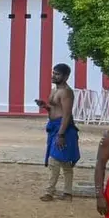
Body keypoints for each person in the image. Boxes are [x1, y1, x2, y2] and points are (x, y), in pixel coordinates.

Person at [39, 63, 79, 201]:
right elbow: (54, 109)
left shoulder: (66, 92)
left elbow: (66, 115)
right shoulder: (54, 89)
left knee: (55, 161)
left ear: (66, 76)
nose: (54, 76)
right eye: (53, 73)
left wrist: (61, 135)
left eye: (57, 74)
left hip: (63, 129)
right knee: (63, 162)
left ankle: (50, 192)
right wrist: (45, 106)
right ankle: (67, 192)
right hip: (54, 127)